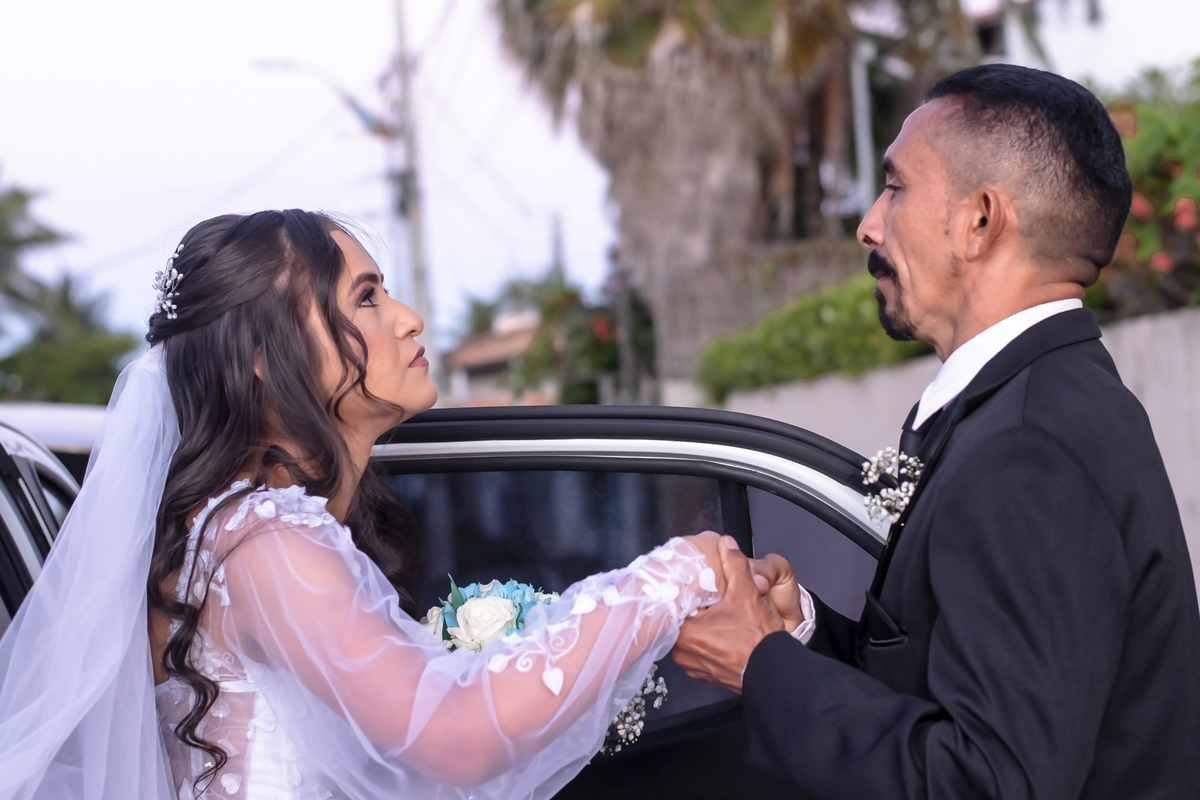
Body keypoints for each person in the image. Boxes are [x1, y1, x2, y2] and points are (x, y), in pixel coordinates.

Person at [0, 210, 729, 800]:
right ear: (264, 355)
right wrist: (677, 577)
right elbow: (455, 735)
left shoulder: (233, 534)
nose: (409, 319)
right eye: (368, 298)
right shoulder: (267, 544)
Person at [671, 64, 1200, 798]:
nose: (869, 224)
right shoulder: (1039, 403)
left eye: (896, 188)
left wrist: (761, 666)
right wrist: (799, 634)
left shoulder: (1029, 448)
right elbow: (948, 693)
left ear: (980, 220)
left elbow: (988, 781)